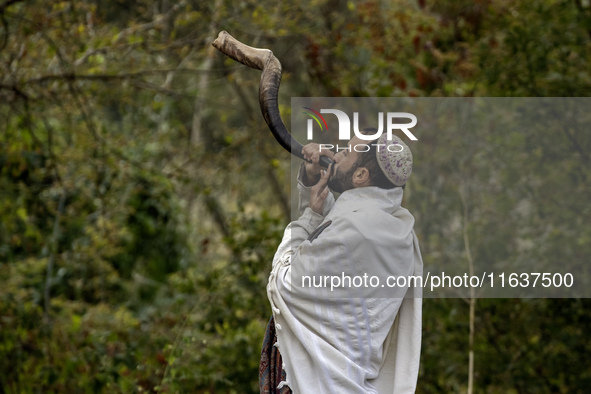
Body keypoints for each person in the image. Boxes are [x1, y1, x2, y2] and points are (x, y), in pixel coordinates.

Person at [260, 131, 423, 394]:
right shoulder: (397, 230)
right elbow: (329, 233)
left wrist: (309, 217)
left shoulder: (353, 230)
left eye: (346, 153)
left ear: (360, 176)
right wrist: (312, 180)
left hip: (320, 383)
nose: (335, 156)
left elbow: (284, 283)